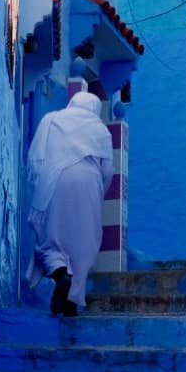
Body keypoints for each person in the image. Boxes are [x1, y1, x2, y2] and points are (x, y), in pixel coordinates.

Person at [25, 88, 114, 316]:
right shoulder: (100, 130)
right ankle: (73, 299)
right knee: (84, 243)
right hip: (88, 184)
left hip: (54, 181)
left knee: (51, 239)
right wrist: (97, 195)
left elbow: (35, 156)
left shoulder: (51, 119)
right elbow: (107, 171)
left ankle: (60, 274)